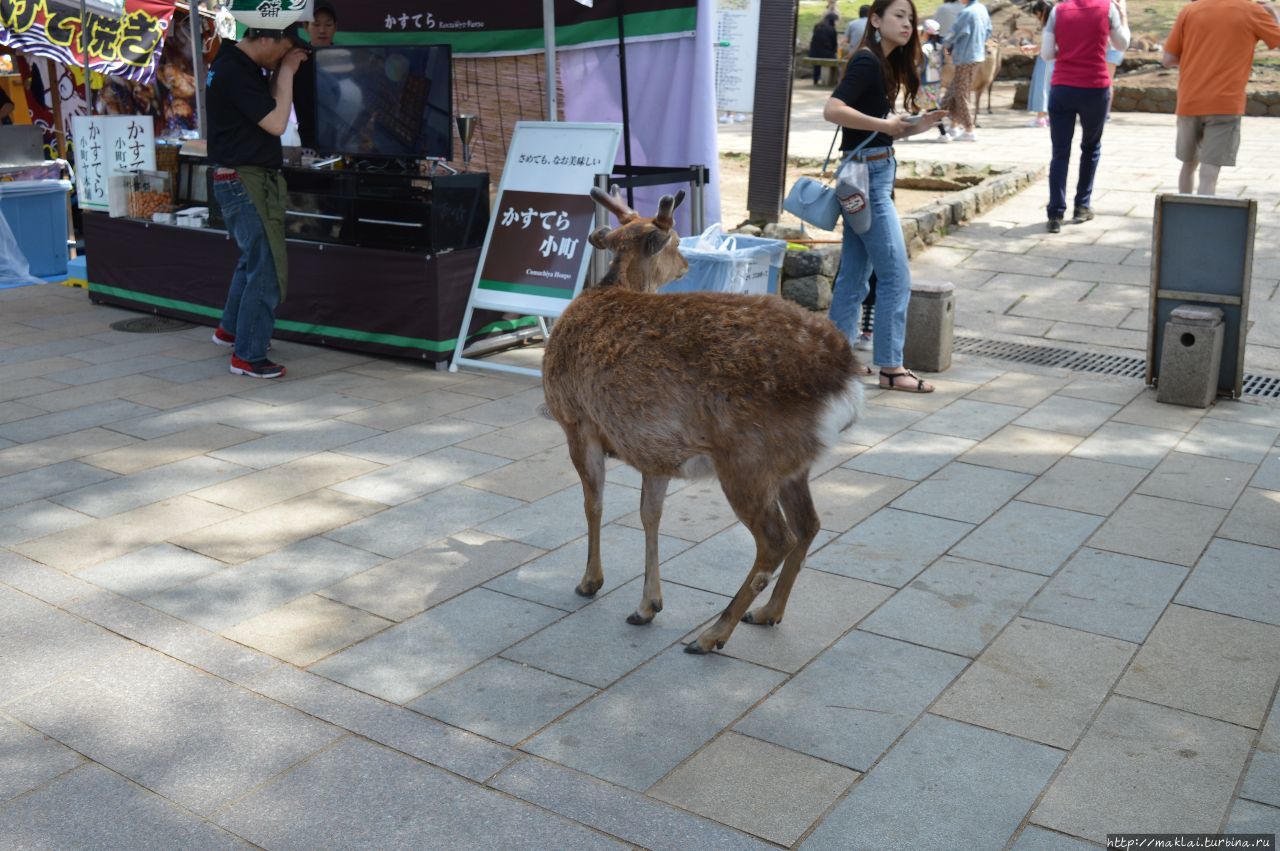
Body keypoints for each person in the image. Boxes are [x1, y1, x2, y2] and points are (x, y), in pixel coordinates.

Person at [824, 0, 947, 393]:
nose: (907, 24)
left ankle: (835, 362)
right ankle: (891, 367)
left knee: (855, 274)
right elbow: (833, 109)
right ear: (875, 20)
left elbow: (879, 131)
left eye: (911, 18)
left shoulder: (884, 62)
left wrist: (914, 126)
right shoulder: (866, 61)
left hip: (866, 171)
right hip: (868, 178)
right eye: (898, 16)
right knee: (895, 274)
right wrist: (887, 125)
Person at [206, 26, 309, 379]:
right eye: (283, 48)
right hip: (244, 181)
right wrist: (287, 72)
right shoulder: (236, 71)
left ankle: (231, 331)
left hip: (236, 179)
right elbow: (278, 123)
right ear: (266, 37)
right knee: (265, 267)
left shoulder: (233, 62)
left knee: (253, 258)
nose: (283, 56)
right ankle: (248, 355)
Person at [1162, 0, 1280, 195]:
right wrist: (1274, 13)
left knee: (1188, 164)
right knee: (1209, 172)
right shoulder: (1251, 10)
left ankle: (1183, 217)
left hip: (1189, 100)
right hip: (1225, 103)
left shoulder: (1190, 10)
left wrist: (1197, 61)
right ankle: (1204, 222)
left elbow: (1168, 59)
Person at [1040, 0, 1130, 232]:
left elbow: (1047, 54)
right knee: (1090, 147)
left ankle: (1055, 214)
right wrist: (1124, 18)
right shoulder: (1108, 8)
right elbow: (1121, 44)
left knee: (1060, 152)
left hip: (1063, 87)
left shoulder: (1058, 11)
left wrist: (1066, 51)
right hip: (1094, 87)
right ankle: (1082, 206)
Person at [941, 0, 991, 141]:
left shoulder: (966, 13)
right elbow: (988, 31)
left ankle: (969, 129)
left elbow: (954, 32)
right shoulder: (982, 9)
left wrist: (945, 45)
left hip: (965, 56)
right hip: (976, 55)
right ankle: (953, 125)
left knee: (961, 92)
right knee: (953, 90)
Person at [295, 0, 338, 149]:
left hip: (340, 135)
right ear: (306, 27)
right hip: (307, 138)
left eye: (328, 25)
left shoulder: (345, 57)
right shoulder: (297, 59)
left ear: (335, 28)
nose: (322, 30)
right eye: (316, 24)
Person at [1023, 0, 1054, 127]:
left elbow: (1047, 46)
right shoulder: (1054, 25)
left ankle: (1041, 117)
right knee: (1049, 87)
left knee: (1042, 86)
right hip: (1051, 59)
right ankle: (1048, 117)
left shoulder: (1048, 27)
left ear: (1042, 13)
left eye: (1037, 14)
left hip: (1046, 60)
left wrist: (1033, 49)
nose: (1037, 18)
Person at [809, 12, 840, 84]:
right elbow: (834, 44)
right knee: (836, 59)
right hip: (826, 54)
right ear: (833, 21)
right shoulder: (832, 30)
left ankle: (815, 79)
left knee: (817, 63)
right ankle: (833, 80)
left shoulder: (817, 26)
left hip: (814, 53)